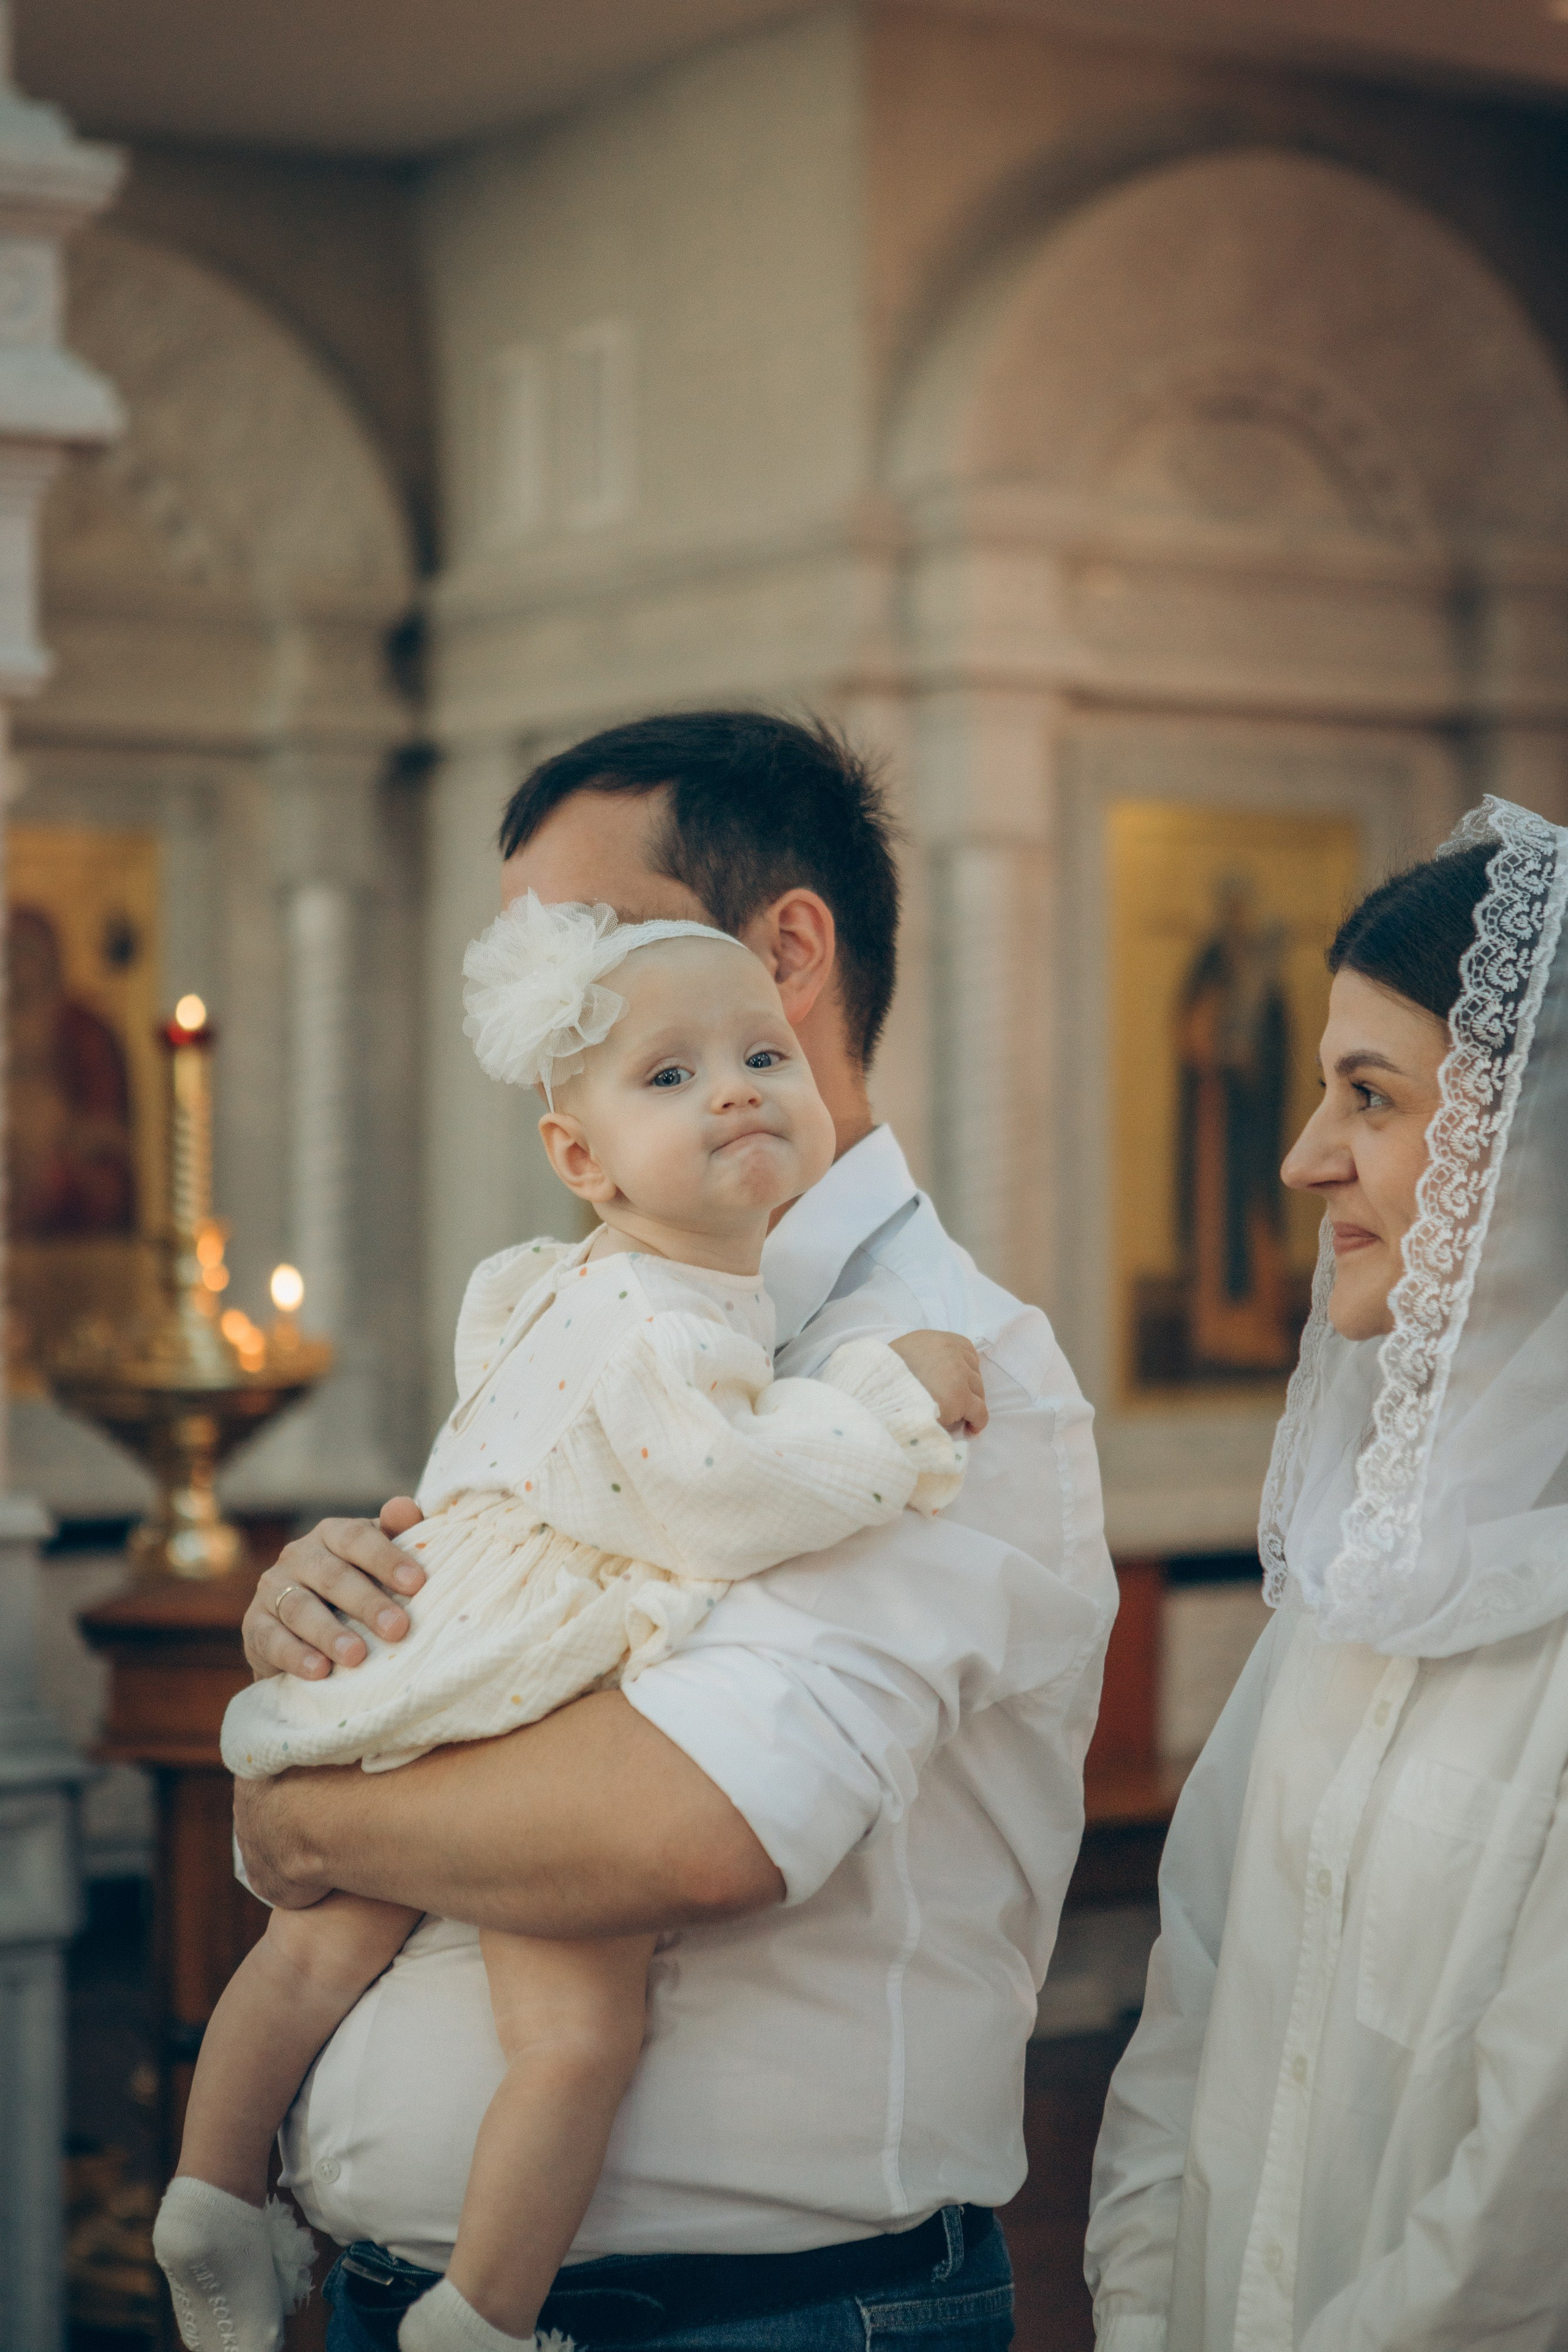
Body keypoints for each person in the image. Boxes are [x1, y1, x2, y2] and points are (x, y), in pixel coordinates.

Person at [233, 711, 1117, 2352]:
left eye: (576, 951)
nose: (535, 1020)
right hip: (384, 2295)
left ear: (785, 955)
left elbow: (679, 1831)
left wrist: (304, 1807)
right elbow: (481, 1638)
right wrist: (334, 1624)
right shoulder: (583, 1311)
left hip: (749, 2318)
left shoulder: (946, 1378)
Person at [154, 896, 978, 2352]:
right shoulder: (671, 1319)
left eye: (761, 1056)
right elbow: (728, 1494)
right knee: (577, 2034)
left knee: (306, 1952)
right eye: (668, 1077)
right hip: (513, 1676)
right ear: (579, 1160)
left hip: (434, 1645)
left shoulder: (551, 1287)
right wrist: (892, 1400)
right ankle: (483, 2314)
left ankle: (211, 2197)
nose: (732, 1089)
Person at [1087, 795, 1568, 2350]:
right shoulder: (1361, 1562)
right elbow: (1190, 2010)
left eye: (1370, 1096)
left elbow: (1518, 2219)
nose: (1300, 1161)